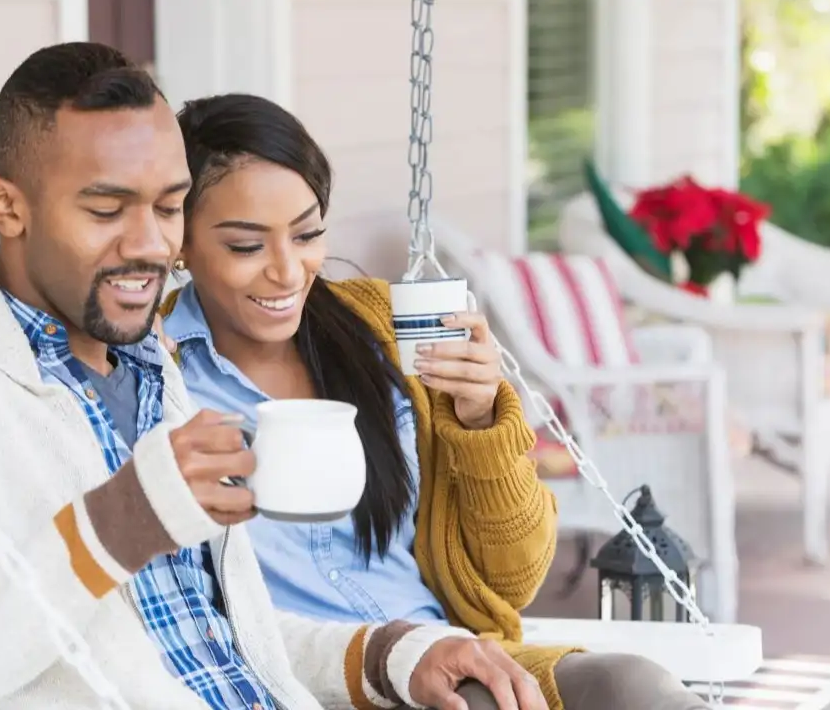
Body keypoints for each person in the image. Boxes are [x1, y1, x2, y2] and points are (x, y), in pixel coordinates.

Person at [0, 42, 552, 710]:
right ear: (6, 206)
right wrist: (116, 523)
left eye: (169, 208)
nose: (149, 245)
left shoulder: (143, 367)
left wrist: (393, 654)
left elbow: (223, 637)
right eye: (106, 209)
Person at [160, 92, 712, 710]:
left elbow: (514, 579)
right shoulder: (156, 376)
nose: (288, 272)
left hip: (453, 661)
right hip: (301, 682)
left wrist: (481, 422)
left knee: (631, 686)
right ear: (177, 239)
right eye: (246, 246)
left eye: (308, 233)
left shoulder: (384, 334)